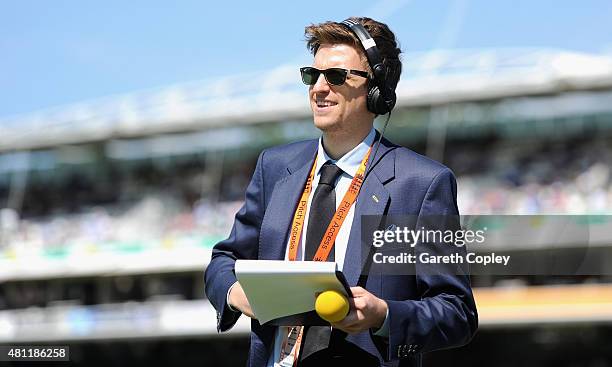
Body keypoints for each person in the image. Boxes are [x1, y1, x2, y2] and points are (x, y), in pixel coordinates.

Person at [205, 17, 478, 367]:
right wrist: (234, 293)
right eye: (311, 75)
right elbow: (223, 261)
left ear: (377, 88)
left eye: (335, 76)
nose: (319, 87)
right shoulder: (273, 167)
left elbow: (457, 313)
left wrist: (384, 315)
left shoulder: (423, 183)